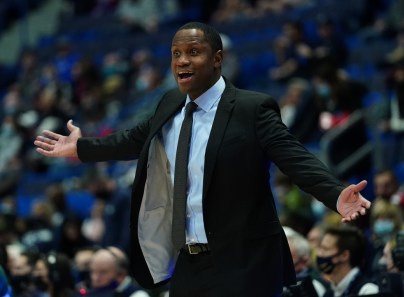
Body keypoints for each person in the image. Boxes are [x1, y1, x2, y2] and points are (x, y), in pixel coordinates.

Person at [34, 22, 371, 297]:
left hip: (244, 262)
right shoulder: (169, 104)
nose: (182, 60)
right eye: (176, 53)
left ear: (217, 58)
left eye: (193, 52)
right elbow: (131, 140)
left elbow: (294, 158)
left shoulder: (252, 108)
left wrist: (334, 194)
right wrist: (81, 148)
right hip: (189, 262)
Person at [315, 225, 379, 296]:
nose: (319, 253)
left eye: (325, 249)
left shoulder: (367, 291)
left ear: (344, 255)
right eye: (320, 248)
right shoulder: (330, 292)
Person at [84, 246, 150, 297]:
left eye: (103, 272)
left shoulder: (138, 295)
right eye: (93, 271)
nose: (95, 278)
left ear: (121, 274)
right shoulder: (91, 293)